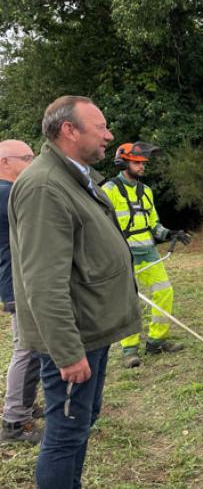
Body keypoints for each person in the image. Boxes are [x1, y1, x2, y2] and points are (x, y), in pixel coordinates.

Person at [9, 95, 141, 489]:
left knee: (82, 421)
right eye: (100, 127)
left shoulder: (74, 176)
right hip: (74, 338)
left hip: (90, 327)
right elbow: (42, 280)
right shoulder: (45, 187)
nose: (109, 135)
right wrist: (67, 352)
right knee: (65, 434)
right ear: (69, 130)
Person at [102, 142, 190, 368]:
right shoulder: (109, 190)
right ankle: (129, 349)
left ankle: (156, 341)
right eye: (137, 162)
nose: (142, 167)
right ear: (123, 162)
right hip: (123, 254)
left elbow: (154, 224)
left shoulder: (146, 191)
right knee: (128, 300)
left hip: (148, 251)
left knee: (164, 291)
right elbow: (101, 225)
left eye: (143, 163)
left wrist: (170, 233)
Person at [0, 140, 42, 444]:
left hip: (20, 281)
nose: (34, 161)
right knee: (26, 349)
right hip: (19, 284)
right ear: (5, 162)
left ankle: (24, 406)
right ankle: (14, 421)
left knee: (34, 348)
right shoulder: (7, 193)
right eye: (27, 157)